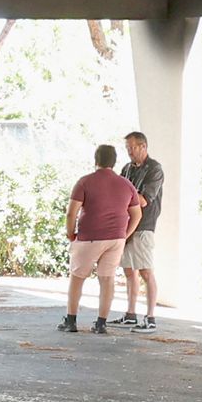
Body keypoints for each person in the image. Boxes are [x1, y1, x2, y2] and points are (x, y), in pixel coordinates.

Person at [61, 142, 141, 334]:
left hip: (90, 237)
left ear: (95, 160)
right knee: (107, 279)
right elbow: (137, 214)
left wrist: (70, 232)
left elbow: (71, 213)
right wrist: (125, 235)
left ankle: (71, 321)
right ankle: (101, 323)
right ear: (114, 162)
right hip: (116, 239)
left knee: (77, 277)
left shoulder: (85, 182)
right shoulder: (126, 184)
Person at [118, 130, 167, 330]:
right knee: (129, 271)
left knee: (146, 272)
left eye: (132, 147)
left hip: (144, 226)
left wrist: (123, 194)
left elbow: (144, 200)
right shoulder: (127, 168)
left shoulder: (154, 169)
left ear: (143, 146)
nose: (129, 151)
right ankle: (130, 314)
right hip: (127, 225)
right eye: (127, 148)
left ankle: (150, 317)